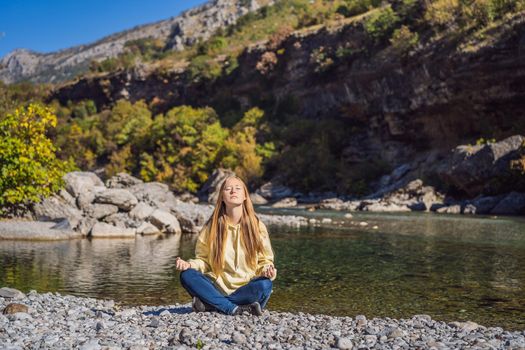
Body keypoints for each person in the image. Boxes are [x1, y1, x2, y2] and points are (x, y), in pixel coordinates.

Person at [175, 176, 277, 316]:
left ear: (245, 196)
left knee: (265, 285)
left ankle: (211, 305)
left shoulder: (257, 226)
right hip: (217, 288)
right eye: (228, 189)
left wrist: (267, 271)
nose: (233, 191)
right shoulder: (211, 227)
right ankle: (236, 308)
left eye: (237, 188)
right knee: (187, 275)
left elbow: (265, 261)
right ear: (222, 197)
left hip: (246, 289)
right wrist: (189, 265)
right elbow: (203, 261)